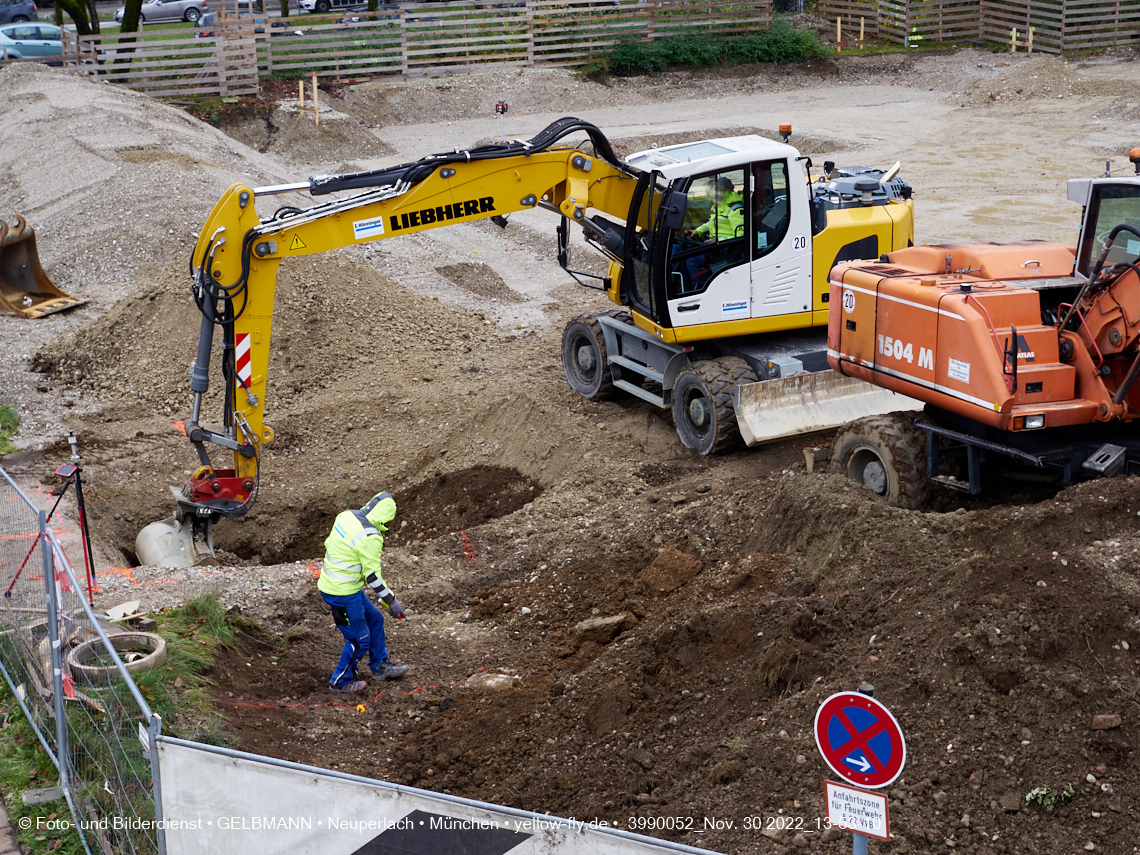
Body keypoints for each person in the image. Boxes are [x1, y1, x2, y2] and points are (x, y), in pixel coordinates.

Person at [318, 491, 409, 693]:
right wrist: (391, 601)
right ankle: (340, 682)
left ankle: (380, 666)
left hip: (338, 585)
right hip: (342, 593)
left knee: (374, 618)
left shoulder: (346, 516)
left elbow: (329, 545)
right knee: (359, 639)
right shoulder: (370, 537)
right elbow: (373, 578)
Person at [687, 177, 744, 243]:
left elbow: (740, 236)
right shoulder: (717, 205)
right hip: (715, 244)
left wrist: (718, 241)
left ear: (725, 192)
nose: (712, 195)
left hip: (726, 247)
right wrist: (697, 231)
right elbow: (712, 222)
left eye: (718, 190)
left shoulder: (735, 209)